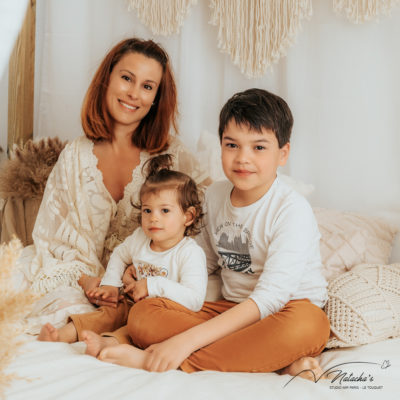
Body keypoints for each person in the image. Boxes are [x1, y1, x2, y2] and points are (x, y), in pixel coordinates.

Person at [93, 88, 330, 380]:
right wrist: (146, 270)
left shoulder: (291, 209)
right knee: (144, 316)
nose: (243, 158)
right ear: (221, 145)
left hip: (287, 312)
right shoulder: (215, 196)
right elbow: (199, 263)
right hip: (229, 309)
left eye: (258, 147)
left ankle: (153, 359)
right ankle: (276, 362)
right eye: (232, 145)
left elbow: (271, 298)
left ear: (283, 154)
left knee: (310, 327)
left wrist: (184, 342)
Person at [17, 38, 209, 333]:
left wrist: (149, 274)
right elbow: (53, 240)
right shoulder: (75, 156)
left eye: (147, 86)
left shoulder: (174, 157)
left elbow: (198, 230)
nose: (133, 94)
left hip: (150, 287)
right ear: (107, 79)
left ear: (157, 97)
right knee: (46, 305)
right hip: (84, 282)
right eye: (126, 78)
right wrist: (89, 281)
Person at [38, 154, 207, 349]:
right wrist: (111, 283)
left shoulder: (189, 253)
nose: (153, 218)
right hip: (131, 303)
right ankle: (60, 336)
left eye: (165, 211)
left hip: (162, 315)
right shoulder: (139, 239)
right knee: (109, 312)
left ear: (188, 216)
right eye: (147, 210)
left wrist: (152, 285)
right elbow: (119, 255)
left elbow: (194, 300)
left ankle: (108, 343)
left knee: (141, 325)